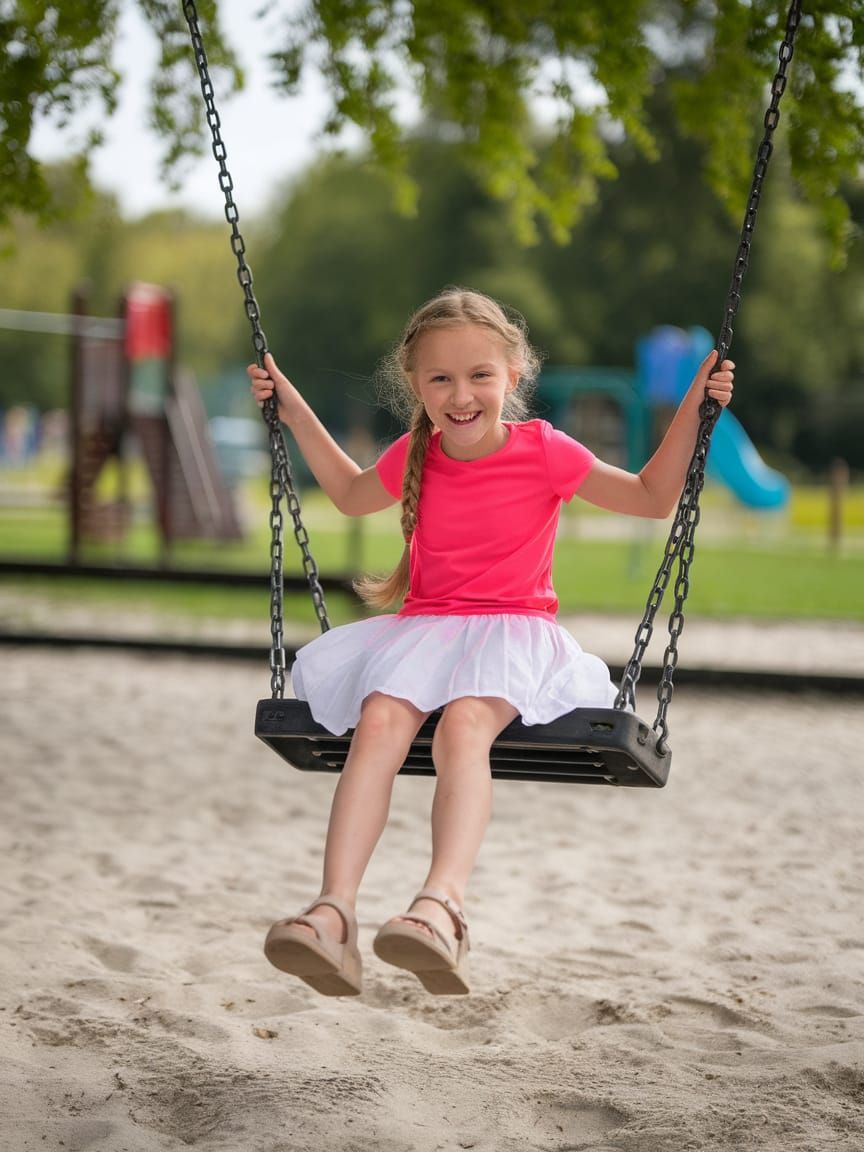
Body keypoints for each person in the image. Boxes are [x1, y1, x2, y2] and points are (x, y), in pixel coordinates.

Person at [247, 287, 734, 998]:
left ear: (513, 375)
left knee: (466, 727)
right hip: (425, 631)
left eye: (480, 375)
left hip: (513, 633)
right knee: (379, 721)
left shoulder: (544, 450)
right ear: (415, 385)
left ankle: (441, 906)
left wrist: (698, 403)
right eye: (440, 378)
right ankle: (334, 913)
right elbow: (352, 495)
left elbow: (652, 497)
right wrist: (290, 409)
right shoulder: (417, 451)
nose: (461, 394)